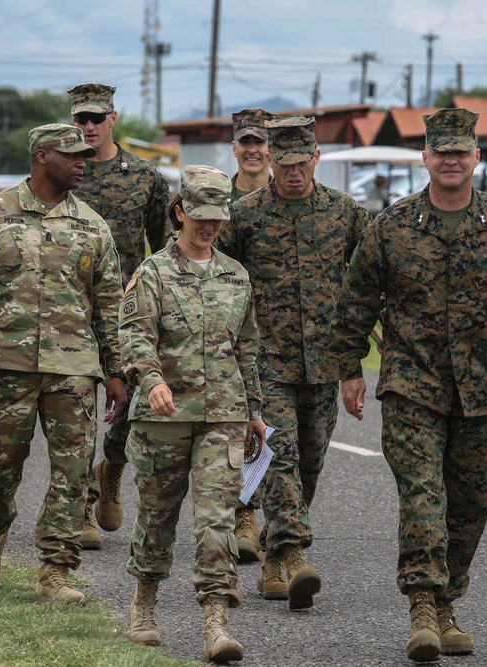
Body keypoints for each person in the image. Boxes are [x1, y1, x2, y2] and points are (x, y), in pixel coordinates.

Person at [330, 108, 487, 662]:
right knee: (423, 494)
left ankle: (447, 603)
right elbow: (355, 304)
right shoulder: (390, 228)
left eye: (460, 152)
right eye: (440, 151)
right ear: (425, 158)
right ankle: (422, 605)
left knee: (470, 503)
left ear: (475, 158)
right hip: (410, 384)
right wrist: (349, 369)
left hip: (482, 390)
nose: (450, 160)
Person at [0, 123, 127, 603]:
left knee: (74, 473)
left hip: (74, 369)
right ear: (42, 156)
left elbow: (109, 306)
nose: (83, 162)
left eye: (86, 155)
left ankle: (55, 570)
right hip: (6, 366)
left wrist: (119, 371)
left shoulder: (92, 225)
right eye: (73, 156)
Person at [217, 115, 370, 610]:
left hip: (323, 363)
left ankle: (272, 560)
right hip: (266, 364)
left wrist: (357, 360)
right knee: (278, 458)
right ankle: (297, 552)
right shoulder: (245, 216)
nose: (293, 172)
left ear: (316, 158)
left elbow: (369, 281)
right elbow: (219, 278)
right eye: (284, 163)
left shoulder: (344, 213)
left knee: (308, 466)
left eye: (302, 162)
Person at [122, 165, 264, 664]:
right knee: (158, 517)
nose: (209, 228)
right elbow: (135, 333)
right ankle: (144, 605)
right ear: (178, 212)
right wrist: (151, 379)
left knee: (217, 519)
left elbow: (247, 347)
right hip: (163, 416)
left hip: (223, 414)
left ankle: (216, 624)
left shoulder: (235, 274)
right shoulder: (154, 272)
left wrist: (255, 411)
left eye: (218, 219)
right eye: (199, 217)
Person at [66, 82, 173, 549]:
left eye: (96, 118)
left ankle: (110, 469)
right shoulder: (62, 169)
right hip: (69, 310)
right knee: (74, 411)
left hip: (126, 314)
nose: (88, 126)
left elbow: (164, 249)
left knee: (128, 407)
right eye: (80, 119)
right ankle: (82, 505)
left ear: (113, 118)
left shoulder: (144, 177)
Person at [227, 107, 273, 561]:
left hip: (281, 338)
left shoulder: (287, 201)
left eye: (261, 142)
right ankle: (244, 515)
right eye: (246, 142)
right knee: (240, 425)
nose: (253, 150)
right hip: (230, 335)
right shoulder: (216, 199)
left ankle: (265, 520)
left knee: (270, 430)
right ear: (234, 147)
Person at [229, 108, 273, 203]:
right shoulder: (218, 198)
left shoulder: (285, 198)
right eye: (244, 142)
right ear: (234, 149)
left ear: (272, 149)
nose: (252, 150)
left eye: (259, 142)